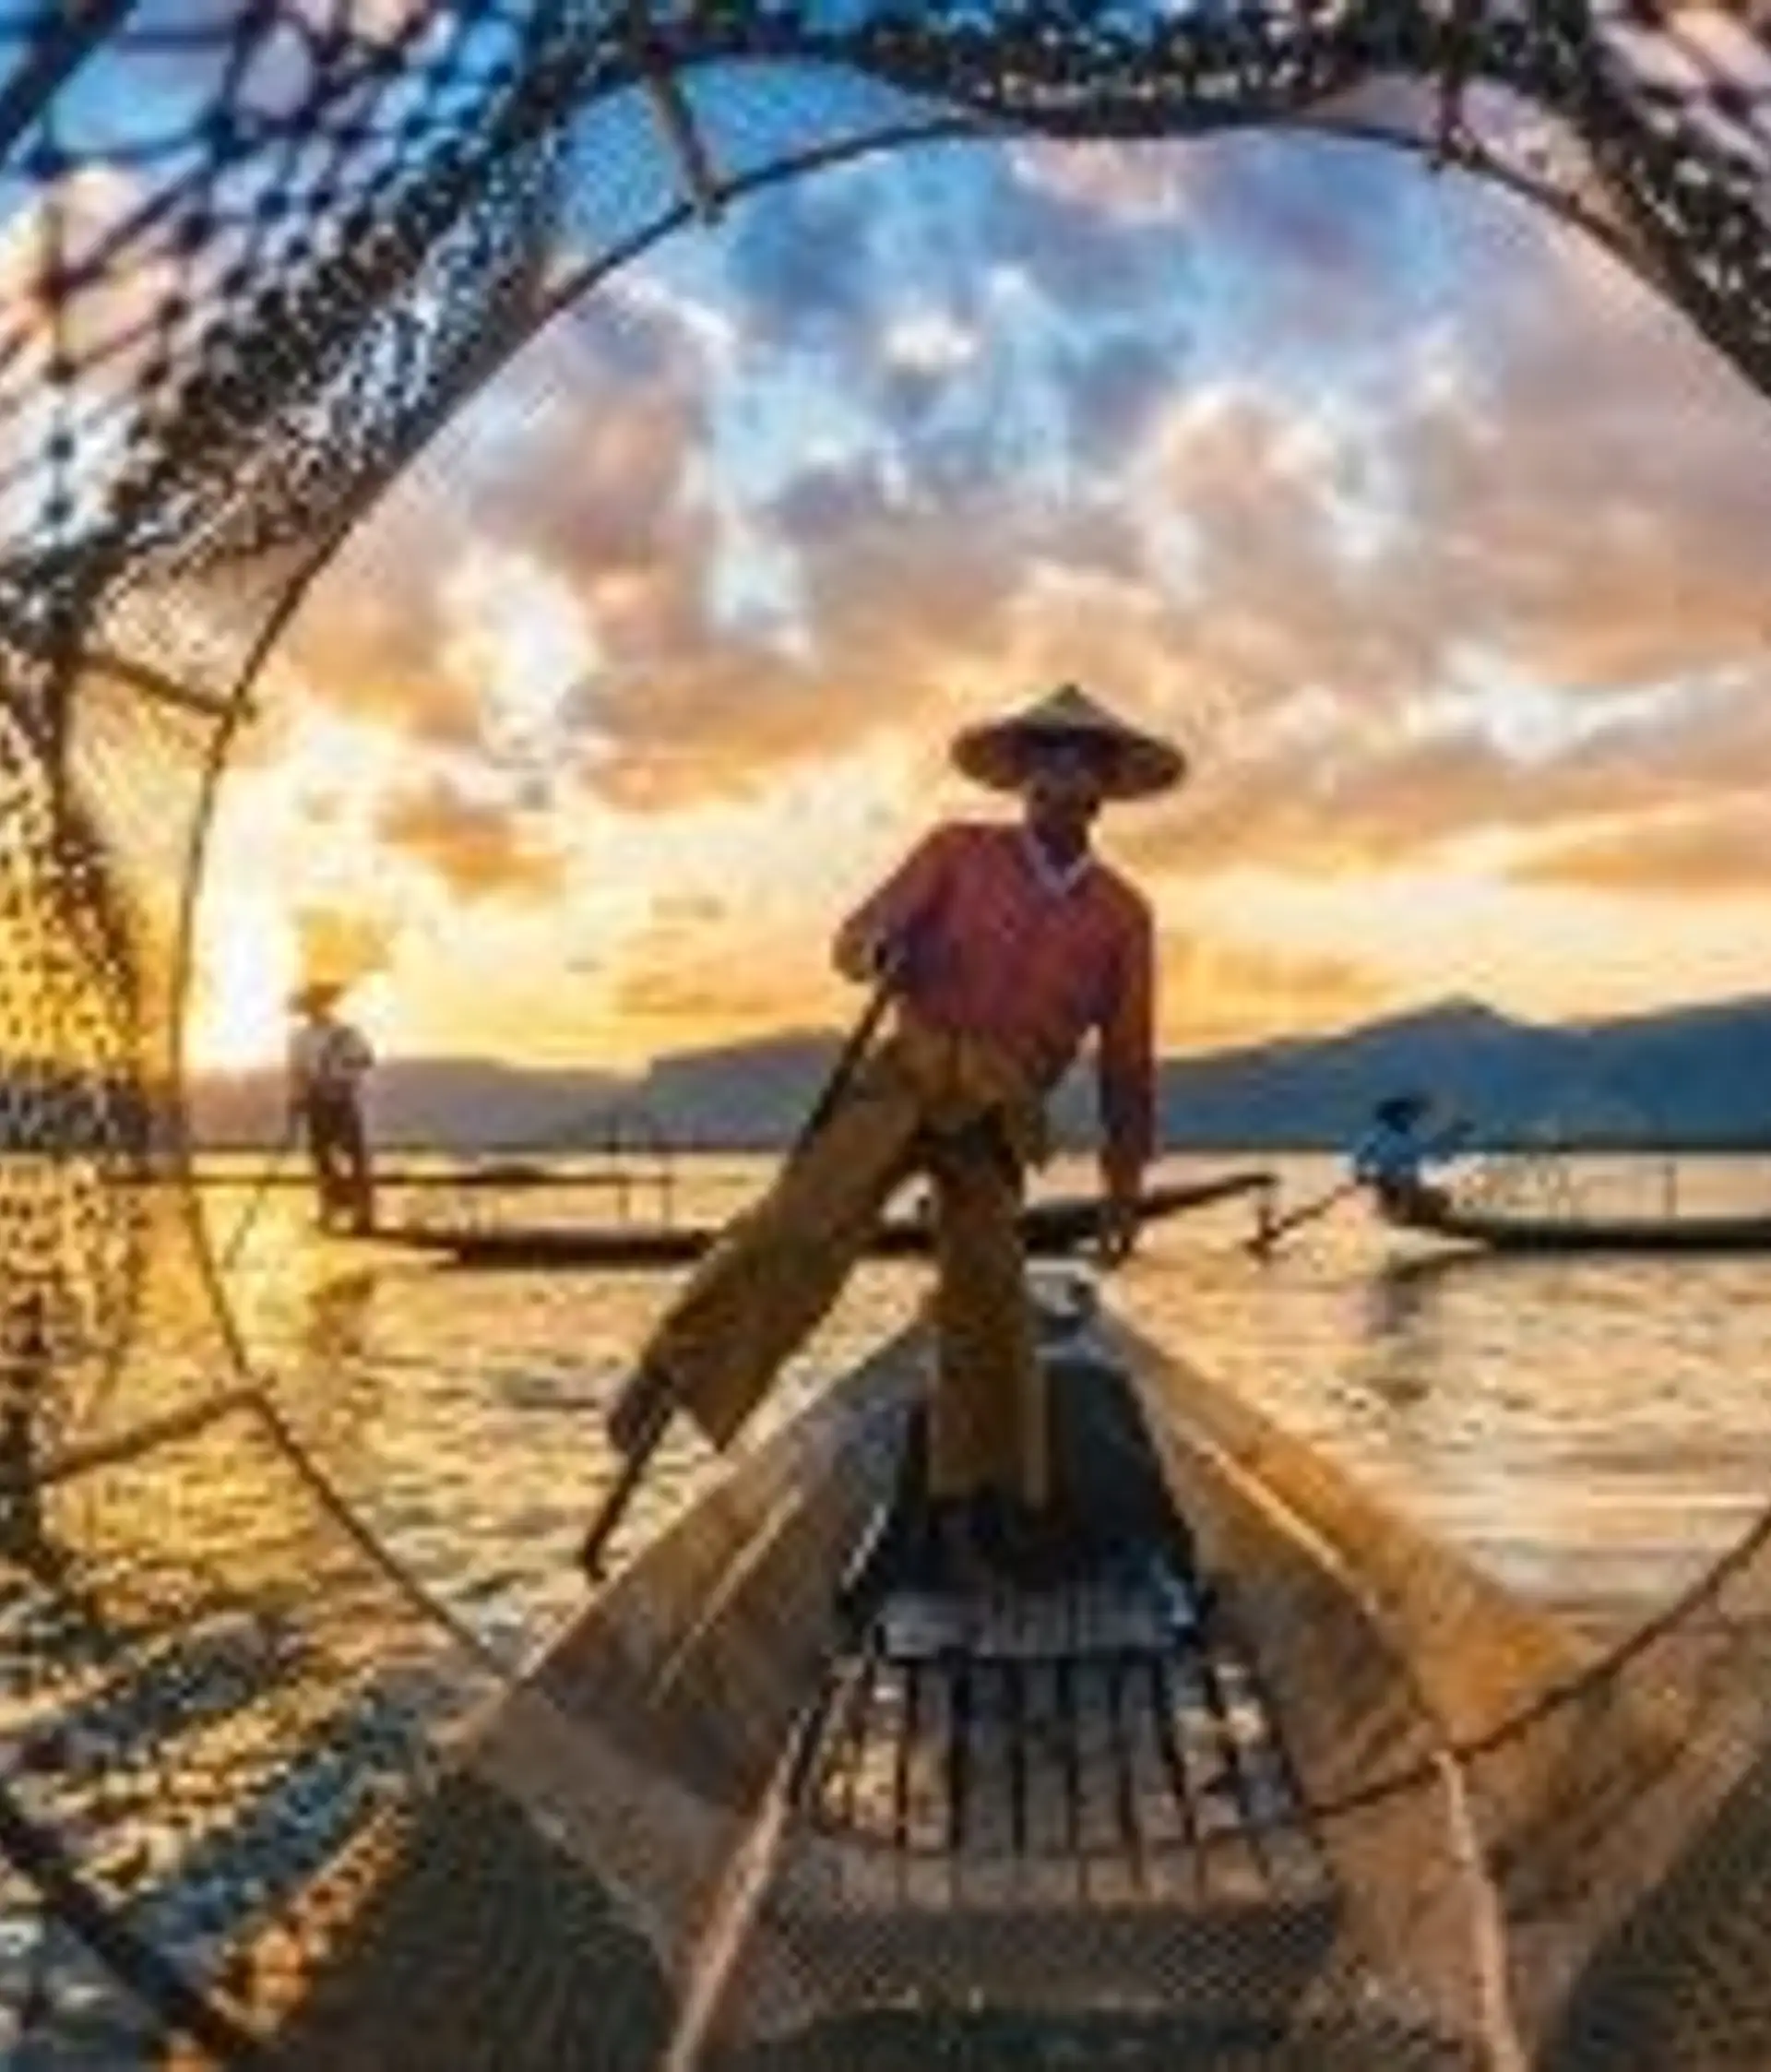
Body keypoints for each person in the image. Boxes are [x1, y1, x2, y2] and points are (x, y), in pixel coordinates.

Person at [593, 683, 1183, 1581]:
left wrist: (1124, 1184)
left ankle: (980, 1504)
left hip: (995, 1114)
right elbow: (856, 934)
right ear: (1023, 778)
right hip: (904, 1076)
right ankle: (676, 1364)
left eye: (1079, 764)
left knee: (989, 1306)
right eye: (1046, 760)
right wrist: (875, 949)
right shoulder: (957, 852)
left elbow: (1128, 1066)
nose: (1060, 777)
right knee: (798, 1227)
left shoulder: (1122, 914)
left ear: (1103, 789)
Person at [286, 980, 376, 1233]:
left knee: (356, 1157)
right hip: (316, 1101)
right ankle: (330, 1207)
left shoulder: (347, 1034)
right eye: (310, 1006)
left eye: (318, 1005)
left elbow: (366, 1059)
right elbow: (297, 1072)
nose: (315, 1010)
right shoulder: (299, 1039)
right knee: (321, 1158)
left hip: (343, 1098)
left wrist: (343, 1070)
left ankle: (363, 1214)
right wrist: (296, 1100)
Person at [1350, 1091, 1472, 1220]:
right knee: (1404, 1189)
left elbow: (1432, 1150)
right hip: (1387, 1181)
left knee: (1437, 1197)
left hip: (1406, 1182)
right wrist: (1362, 1175)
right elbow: (1361, 1158)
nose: (1411, 1118)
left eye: (1411, 1114)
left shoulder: (1409, 1137)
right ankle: (1398, 1214)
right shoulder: (1381, 1136)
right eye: (1407, 1114)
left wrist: (1452, 1135)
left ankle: (1407, 1213)